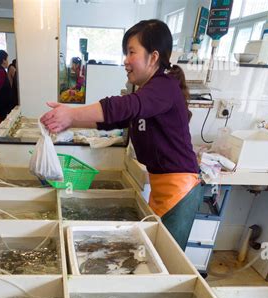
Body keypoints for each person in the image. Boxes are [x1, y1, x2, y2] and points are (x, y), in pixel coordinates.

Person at [42, 20, 202, 251]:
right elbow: (113, 119)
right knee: (152, 250)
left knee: (167, 258)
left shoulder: (164, 87)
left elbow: (124, 107)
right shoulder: (149, 91)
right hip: (163, 186)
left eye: (131, 52)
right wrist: (68, 120)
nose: (125, 60)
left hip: (180, 190)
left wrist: (72, 114)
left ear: (153, 56)